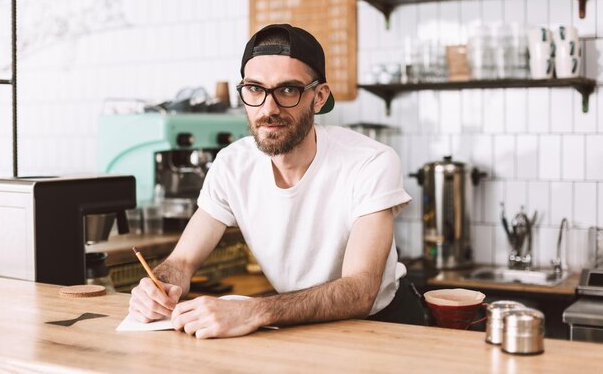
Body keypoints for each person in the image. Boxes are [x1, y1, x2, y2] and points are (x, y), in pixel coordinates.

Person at [129, 24, 412, 339]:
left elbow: (360, 292)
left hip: (382, 327)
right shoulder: (232, 165)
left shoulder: (370, 161)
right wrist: (160, 286)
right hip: (297, 328)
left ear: (319, 97)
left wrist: (254, 310)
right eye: (254, 89)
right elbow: (181, 260)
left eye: (288, 90)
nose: (268, 108)